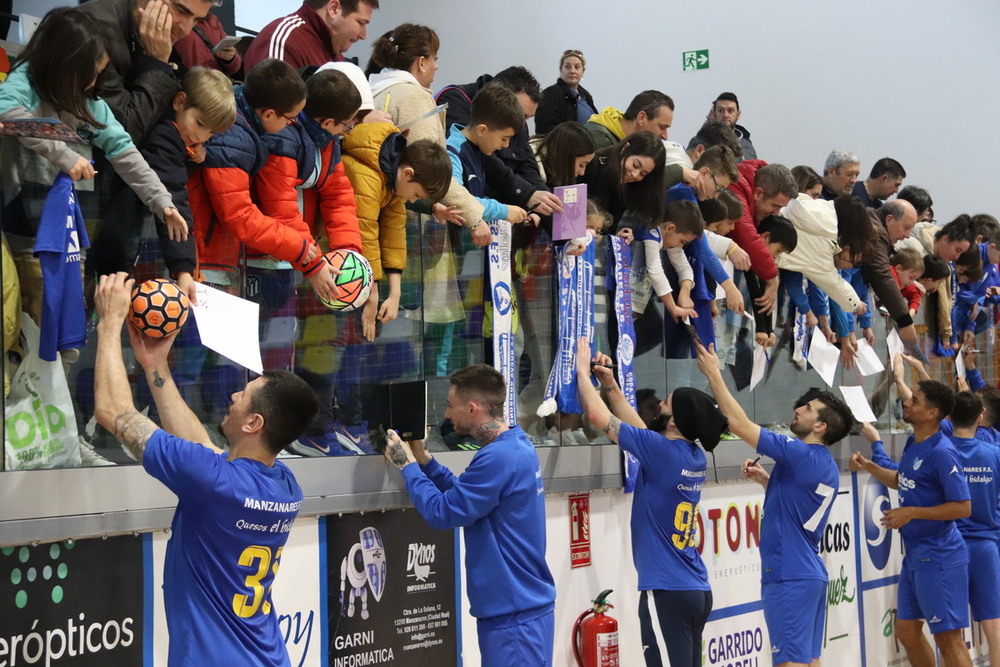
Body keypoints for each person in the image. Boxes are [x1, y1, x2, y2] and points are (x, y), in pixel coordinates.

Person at [92, 271, 319, 666]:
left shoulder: (216, 482)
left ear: (253, 424)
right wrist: (155, 367)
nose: (233, 395)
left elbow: (113, 412)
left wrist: (110, 323)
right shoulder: (283, 485)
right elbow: (202, 448)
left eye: (243, 396)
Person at [0, 7, 188, 349]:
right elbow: (7, 115)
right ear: (63, 61)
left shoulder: (90, 101)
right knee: (32, 332)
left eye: (98, 74)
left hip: (70, 237)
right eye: (87, 72)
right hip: (27, 234)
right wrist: (64, 154)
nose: (90, 83)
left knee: (68, 338)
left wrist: (162, 202)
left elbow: (125, 152)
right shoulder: (26, 80)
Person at [383, 364, 556, 666]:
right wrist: (424, 460)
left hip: (514, 617)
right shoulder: (514, 446)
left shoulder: (497, 457)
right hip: (519, 611)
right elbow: (466, 497)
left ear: (472, 408)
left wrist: (406, 465)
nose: (447, 415)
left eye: (451, 406)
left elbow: (443, 512)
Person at [696, 341, 853, 667]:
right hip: (810, 576)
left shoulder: (798, 453)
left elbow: (739, 425)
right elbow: (801, 506)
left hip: (789, 577)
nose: (798, 410)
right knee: (809, 661)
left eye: (807, 409)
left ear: (820, 427)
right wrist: (768, 482)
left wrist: (713, 375)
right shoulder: (824, 464)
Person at [576, 338, 726, 666]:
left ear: (674, 421)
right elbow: (640, 430)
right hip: (696, 590)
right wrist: (612, 386)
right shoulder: (690, 455)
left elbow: (598, 416)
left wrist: (581, 373)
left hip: (667, 591)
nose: (659, 403)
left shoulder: (660, 452)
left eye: (667, 403)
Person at [189, 59, 338, 296]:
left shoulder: (242, 129)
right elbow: (239, 217)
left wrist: (309, 258)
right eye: (291, 118)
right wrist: (298, 249)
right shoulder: (234, 139)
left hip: (208, 254)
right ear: (268, 114)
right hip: (202, 258)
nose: (293, 124)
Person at [850, 381, 972, 667]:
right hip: (915, 556)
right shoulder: (912, 441)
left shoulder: (942, 452)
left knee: (948, 638)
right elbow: (900, 480)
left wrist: (912, 512)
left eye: (914, 401)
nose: (906, 403)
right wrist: (870, 465)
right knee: (906, 630)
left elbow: (963, 507)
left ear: (933, 413)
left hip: (940, 556)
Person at [91, 67, 237, 304]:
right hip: (122, 231)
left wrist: (194, 154)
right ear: (179, 102)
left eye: (210, 132)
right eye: (200, 124)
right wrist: (183, 269)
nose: (202, 136)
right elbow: (173, 194)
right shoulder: (166, 138)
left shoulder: (170, 132)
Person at [368, 24, 490, 245]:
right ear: (421, 62)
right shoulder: (412, 96)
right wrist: (474, 217)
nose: (436, 66)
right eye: (434, 58)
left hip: (376, 207)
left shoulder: (376, 88)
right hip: (398, 220)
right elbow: (428, 170)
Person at [342, 132, 452, 341]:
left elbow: (394, 235)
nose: (412, 200)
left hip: (353, 266)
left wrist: (395, 293)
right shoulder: (368, 175)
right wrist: (371, 294)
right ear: (407, 174)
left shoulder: (394, 182)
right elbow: (365, 235)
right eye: (417, 195)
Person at [79, 0, 215, 145]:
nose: (186, 29)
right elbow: (120, 135)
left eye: (197, 20)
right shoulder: (92, 29)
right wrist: (158, 63)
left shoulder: (158, 33)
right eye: (180, 10)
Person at [436, 66, 558, 208]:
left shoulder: (517, 123)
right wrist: (523, 195)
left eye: (527, 118)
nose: (521, 123)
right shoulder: (454, 100)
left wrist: (543, 202)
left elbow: (527, 167)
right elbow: (459, 196)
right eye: (521, 114)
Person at [945, 392, 1000, 666]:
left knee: (950, 625)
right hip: (986, 545)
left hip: (949, 545)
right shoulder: (995, 453)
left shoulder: (941, 452)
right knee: (993, 620)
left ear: (949, 416)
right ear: (981, 416)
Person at [446, 84, 536, 225]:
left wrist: (520, 212)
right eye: (504, 138)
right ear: (482, 130)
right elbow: (457, 200)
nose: (506, 145)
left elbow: (476, 196)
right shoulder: (452, 151)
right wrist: (504, 211)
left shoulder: (479, 149)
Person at [726, 161, 798, 315]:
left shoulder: (751, 190)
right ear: (758, 193)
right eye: (775, 206)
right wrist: (772, 279)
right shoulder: (736, 187)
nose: (776, 213)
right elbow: (745, 234)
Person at [244, 0, 378, 72]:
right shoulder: (282, 39)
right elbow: (274, 115)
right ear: (334, 8)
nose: (363, 35)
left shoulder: (333, 49)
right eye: (361, 23)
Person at [860, 199, 920, 344]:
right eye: (906, 228)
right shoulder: (876, 232)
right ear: (889, 220)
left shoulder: (873, 221)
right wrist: (904, 321)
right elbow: (881, 275)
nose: (907, 235)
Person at [579, 131, 666, 230]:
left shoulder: (629, 189)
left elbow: (608, 231)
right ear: (625, 148)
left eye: (643, 174)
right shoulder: (591, 167)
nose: (635, 175)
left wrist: (617, 237)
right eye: (635, 165)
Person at [535, 49, 597, 134]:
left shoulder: (586, 96)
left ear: (583, 71)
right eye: (567, 67)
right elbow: (545, 129)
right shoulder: (551, 94)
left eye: (577, 67)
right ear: (561, 70)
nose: (572, 71)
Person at [586, 89, 674, 149]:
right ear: (641, 118)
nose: (665, 137)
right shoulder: (598, 139)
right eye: (662, 127)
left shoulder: (632, 144)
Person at [691, 92, 757, 160]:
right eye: (720, 110)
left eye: (730, 111)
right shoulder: (698, 142)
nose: (725, 115)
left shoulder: (747, 146)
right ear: (714, 113)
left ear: (738, 115)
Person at [174, 13, 242, 76]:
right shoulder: (175, 17)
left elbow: (235, 66)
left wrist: (231, 58)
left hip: (214, 83)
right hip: (187, 82)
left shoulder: (212, 20)